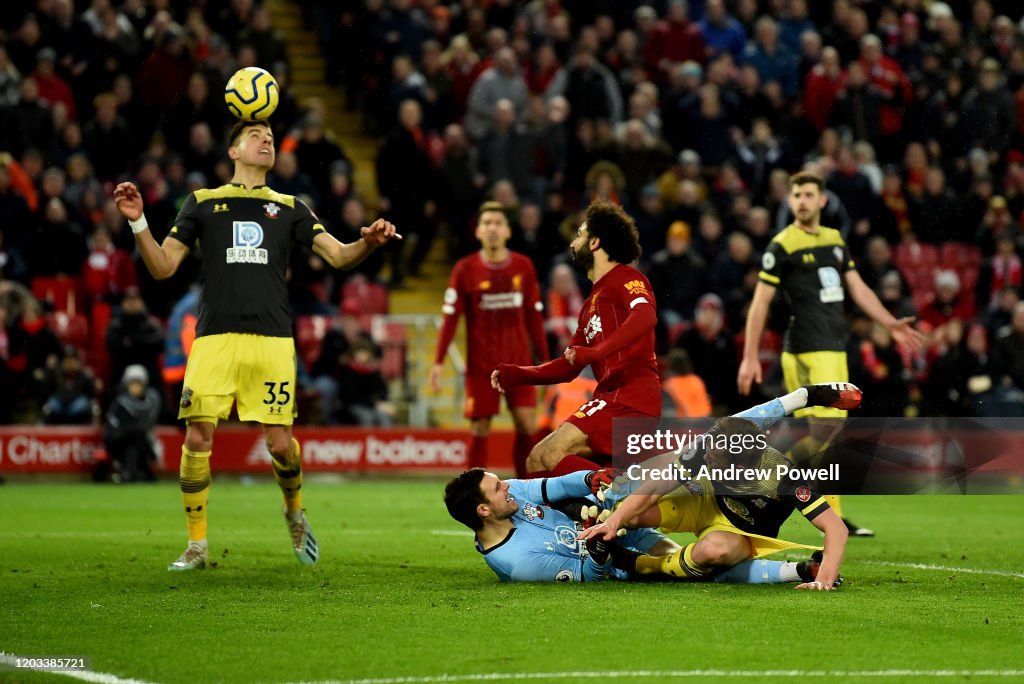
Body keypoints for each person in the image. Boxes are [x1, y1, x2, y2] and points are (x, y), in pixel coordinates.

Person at [113, 119, 401, 571]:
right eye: (255, 136)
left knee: (280, 443)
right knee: (198, 433)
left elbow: (340, 255)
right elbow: (164, 267)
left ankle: (294, 510)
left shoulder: (290, 207)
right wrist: (139, 224)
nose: (266, 140)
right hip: (215, 339)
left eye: (269, 136)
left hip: (271, 341)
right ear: (233, 152)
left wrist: (367, 243)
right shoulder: (203, 203)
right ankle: (197, 544)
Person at [737, 172, 925, 537]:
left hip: (832, 346)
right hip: (806, 348)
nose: (802, 201)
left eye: (809, 194)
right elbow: (760, 304)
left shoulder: (835, 241)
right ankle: (823, 511)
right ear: (790, 202)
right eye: (796, 195)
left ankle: (771, 473)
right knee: (827, 432)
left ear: (822, 201)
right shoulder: (782, 245)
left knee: (825, 436)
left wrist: (890, 323)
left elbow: (857, 287)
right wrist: (748, 356)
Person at [580, 383, 863, 590]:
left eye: (714, 460)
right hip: (704, 500)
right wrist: (616, 520)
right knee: (637, 506)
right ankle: (596, 527)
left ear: (739, 468)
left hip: (741, 532)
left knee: (714, 552)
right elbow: (655, 487)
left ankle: (634, 565)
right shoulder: (713, 445)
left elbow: (836, 528)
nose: (707, 457)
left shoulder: (783, 477)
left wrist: (824, 580)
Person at [492, 201, 660, 478]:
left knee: (551, 454)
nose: (572, 243)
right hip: (610, 396)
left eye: (579, 235)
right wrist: (517, 374)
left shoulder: (627, 277)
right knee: (536, 460)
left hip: (631, 398)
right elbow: (568, 366)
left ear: (595, 243)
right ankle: (586, 516)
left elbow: (645, 317)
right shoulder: (589, 305)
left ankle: (617, 496)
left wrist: (595, 354)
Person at [443, 466, 825, 586]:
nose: (507, 486)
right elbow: (590, 576)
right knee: (706, 562)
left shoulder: (512, 501)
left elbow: (555, 486)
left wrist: (590, 480)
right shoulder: (520, 563)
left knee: (647, 478)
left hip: (611, 525)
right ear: (482, 511)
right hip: (620, 559)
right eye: (497, 488)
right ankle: (798, 569)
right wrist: (600, 554)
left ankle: (722, 483)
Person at [430, 201, 548, 477]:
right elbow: (450, 319)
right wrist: (437, 363)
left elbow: (534, 318)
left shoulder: (523, 267)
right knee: (480, 427)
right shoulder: (465, 269)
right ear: (478, 232)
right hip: (482, 365)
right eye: (487, 224)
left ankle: (525, 489)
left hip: (519, 365)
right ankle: (474, 496)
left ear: (508, 231)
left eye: (498, 223)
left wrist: (545, 363)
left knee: (526, 424)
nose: (492, 228)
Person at [102, 364, 161, 483]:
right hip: (118, 442)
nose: (135, 387)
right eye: (132, 384)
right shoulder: (121, 402)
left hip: (141, 441)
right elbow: (112, 428)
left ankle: (134, 472)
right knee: (134, 436)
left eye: (138, 384)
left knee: (136, 442)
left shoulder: (152, 400)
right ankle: (136, 470)